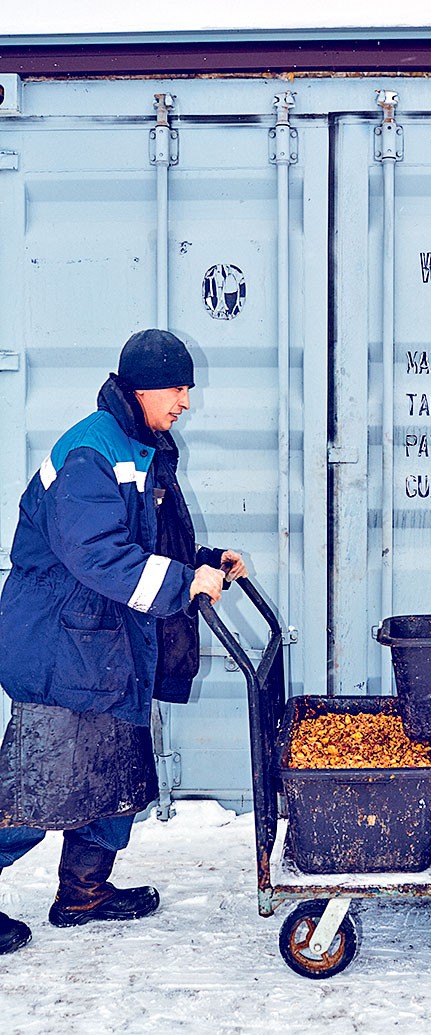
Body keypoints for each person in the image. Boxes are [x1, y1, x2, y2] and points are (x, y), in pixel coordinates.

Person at [0, 329, 247, 954]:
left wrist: (203, 562)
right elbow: (96, 553)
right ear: (141, 389)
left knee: (114, 772)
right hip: (63, 647)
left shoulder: (139, 444)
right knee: (37, 789)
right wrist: (184, 583)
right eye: (177, 389)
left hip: (107, 644)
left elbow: (144, 539)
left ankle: (84, 892)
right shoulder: (91, 453)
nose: (186, 402)